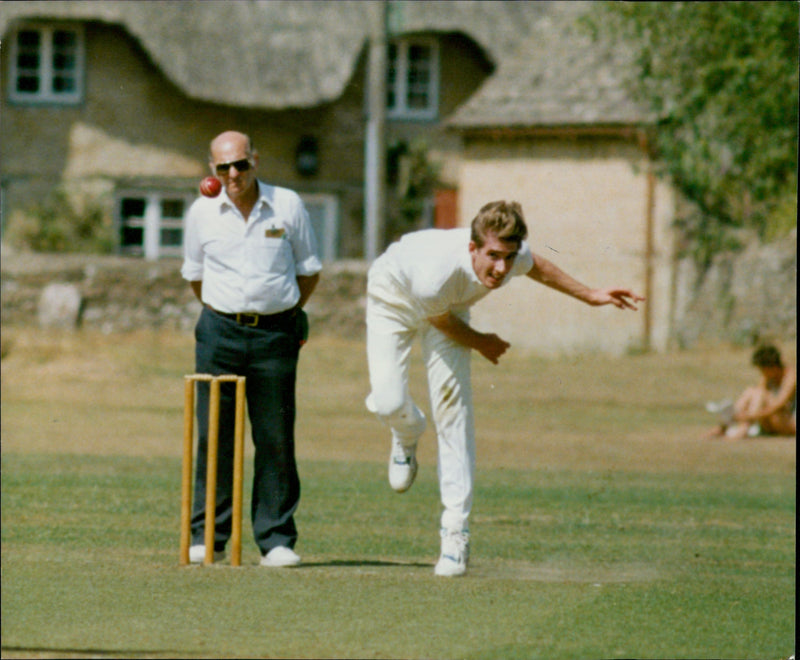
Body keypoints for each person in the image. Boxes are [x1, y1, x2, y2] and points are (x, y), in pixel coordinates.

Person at [365, 200, 644, 576]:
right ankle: (407, 431)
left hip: (450, 307)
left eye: (509, 258)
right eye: (493, 256)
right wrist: (482, 342)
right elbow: (440, 320)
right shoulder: (435, 272)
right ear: (472, 248)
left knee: (453, 413)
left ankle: (454, 536)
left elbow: (539, 267)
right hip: (394, 298)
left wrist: (592, 295)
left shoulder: (513, 256)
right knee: (388, 402)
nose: (501, 268)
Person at [181, 130, 321, 567]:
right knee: (214, 436)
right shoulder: (201, 212)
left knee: (275, 436)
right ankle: (208, 537)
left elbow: (309, 270)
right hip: (219, 331)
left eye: (241, 164)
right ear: (212, 170)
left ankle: (276, 539)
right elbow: (195, 276)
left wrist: (279, 312)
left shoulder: (288, 204)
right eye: (223, 167)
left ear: (255, 160)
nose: (233, 174)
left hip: (276, 334)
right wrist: (230, 312)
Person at [706, 344, 796, 440]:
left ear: (772, 367)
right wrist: (744, 415)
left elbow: (779, 406)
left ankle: (743, 429)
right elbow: (757, 395)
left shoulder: (791, 377)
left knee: (760, 393)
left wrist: (748, 416)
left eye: (763, 370)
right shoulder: (769, 376)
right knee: (751, 391)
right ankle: (724, 426)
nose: (762, 373)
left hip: (790, 423)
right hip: (774, 421)